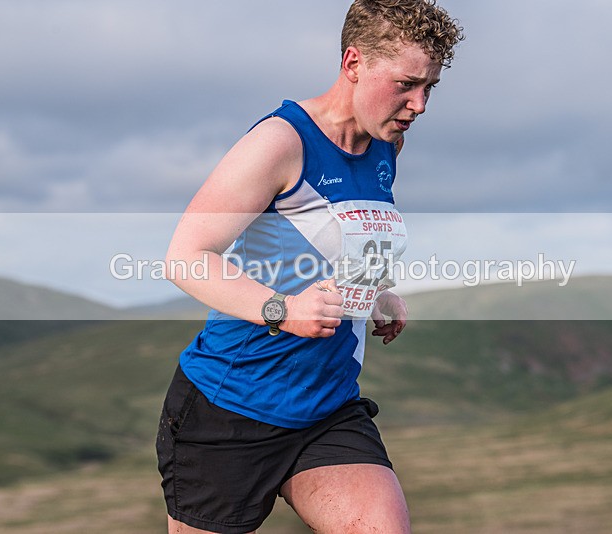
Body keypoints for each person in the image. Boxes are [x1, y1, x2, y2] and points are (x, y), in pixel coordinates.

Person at [156, 1, 463, 532]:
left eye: (429, 87)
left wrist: (373, 291)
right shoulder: (280, 142)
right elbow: (186, 258)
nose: (419, 104)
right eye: (406, 84)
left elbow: (331, 238)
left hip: (327, 409)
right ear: (354, 63)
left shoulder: (385, 145)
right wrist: (283, 309)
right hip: (230, 408)